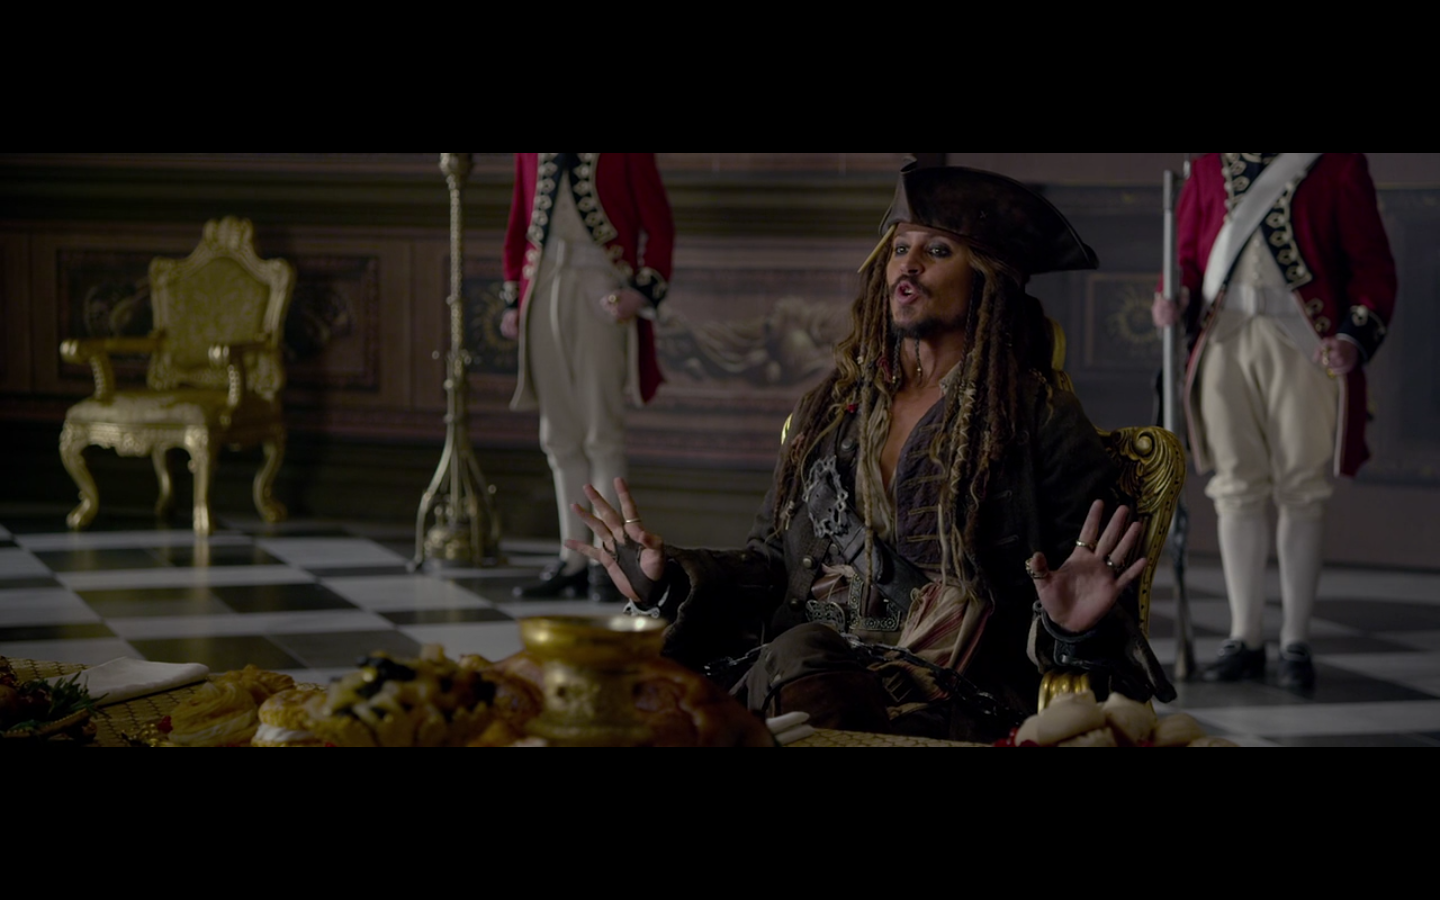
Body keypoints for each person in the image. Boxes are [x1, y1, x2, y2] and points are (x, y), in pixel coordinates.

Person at [566, 162, 1175, 744]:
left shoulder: (1040, 419)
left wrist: (1073, 630)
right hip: (799, 670)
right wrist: (667, 581)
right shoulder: (829, 410)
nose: (907, 264)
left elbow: (1089, 596)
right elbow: (771, 563)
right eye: (899, 247)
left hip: (958, 696)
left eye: (938, 251)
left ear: (989, 280)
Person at [1153, 153, 1397, 692]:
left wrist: (1352, 338)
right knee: (1235, 487)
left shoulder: (1336, 165)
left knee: (1302, 490)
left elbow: (1372, 265)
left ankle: (1295, 639)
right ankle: (1244, 635)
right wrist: (1176, 297)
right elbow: (1188, 257)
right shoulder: (1210, 165)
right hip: (1224, 339)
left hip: (1304, 344)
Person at [500, 153, 674, 604]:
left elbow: (660, 225)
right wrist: (513, 297)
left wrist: (641, 291)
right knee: (558, 433)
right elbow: (519, 222)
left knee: (602, 431)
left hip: (602, 287)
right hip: (543, 287)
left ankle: (609, 559)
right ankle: (573, 558)